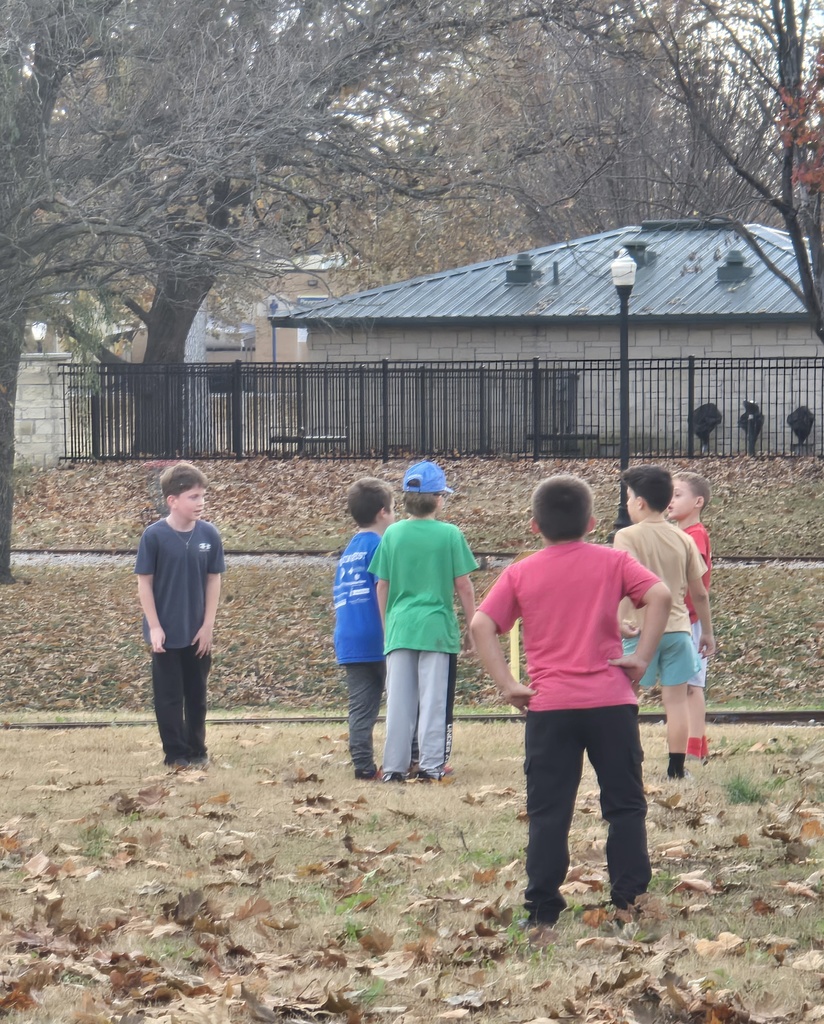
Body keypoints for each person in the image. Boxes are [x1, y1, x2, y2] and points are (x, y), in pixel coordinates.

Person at [470, 474, 671, 937]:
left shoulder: (522, 571)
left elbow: (483, 626)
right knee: (624, 806)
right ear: (593, 523)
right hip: (610, 704)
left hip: (550, 706)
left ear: (534, 525)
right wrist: (641, 657)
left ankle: (542, 909)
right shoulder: (614, 560)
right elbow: (659, 596)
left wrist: (508, 684)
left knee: (549, 810)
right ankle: (629, 903)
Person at [369, 460, 478, 782]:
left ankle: (393, 768)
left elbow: (382, 585)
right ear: (438, 498)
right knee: (433, 701)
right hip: (436, 628)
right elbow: (464, 586)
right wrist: (473, 626)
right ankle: (431, 765)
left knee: (399, 702)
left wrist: (388, 626)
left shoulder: (393, 534)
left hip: (401, 626)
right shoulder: (449, 534)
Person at [613, 465, 715, 780]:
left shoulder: (626, 536)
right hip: (680, 631)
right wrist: (707, 632)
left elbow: (622, 586)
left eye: (629, 498)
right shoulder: (682, 538)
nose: (628, 504)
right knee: (676, 702)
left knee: (627, 698)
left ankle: (627, 761)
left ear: (640, 502)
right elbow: (699, 593)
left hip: (641, 630)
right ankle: (677, 769)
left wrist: (618, 622)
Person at [135, 461, 225, 770]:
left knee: (196, 695)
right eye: (193, 497)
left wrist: (208, 625)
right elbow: (144, 582)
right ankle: (175, 754)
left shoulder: (209, 535)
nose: (200, 503)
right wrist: (155, 627)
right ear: (172, 500)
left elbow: (214, 578)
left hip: (197, 632)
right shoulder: (154, 536)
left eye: (202, 496)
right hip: (166, 634)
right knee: (169, 697)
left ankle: (197, 750)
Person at [333, 478, 395, 780]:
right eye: (394, 510)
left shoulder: (349, 550)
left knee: (361, 708)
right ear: (383, 512)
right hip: (379, 635)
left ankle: (363, 766)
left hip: (349, 638)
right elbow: (385, 587)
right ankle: (409, 757)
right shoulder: (380, 545)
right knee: (402, 699)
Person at [668, 472, 712, 761]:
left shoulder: (695, 536)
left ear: (698, 501)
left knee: (691, 687)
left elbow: (695, 584)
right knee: (685, 687)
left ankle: (694, 747)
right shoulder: (680, 535)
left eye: (677, 494)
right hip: (683, 618)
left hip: (691, 620)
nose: (670, 500)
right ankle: (695, 745)